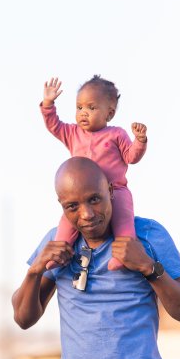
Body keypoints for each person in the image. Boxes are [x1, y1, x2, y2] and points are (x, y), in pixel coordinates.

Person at [12, 157, 180, 359]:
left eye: (94, 199)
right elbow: (23, 319)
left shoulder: (148, 234)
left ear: (111, 191)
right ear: (62, 205)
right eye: (72, 206)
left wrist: (149, 268)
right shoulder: (56, 242)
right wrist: (35, 271)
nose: (87, 214)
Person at [41, 76, 148, 271]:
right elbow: (54, 125)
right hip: (82, 196)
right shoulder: (72, 133)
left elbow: (131, 157)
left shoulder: (116, 134)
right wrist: (48, 104)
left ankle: (122, 257)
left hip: (116, 190)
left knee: (124, 224)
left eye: (91, 108)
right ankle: (59, 254)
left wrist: (139, 141)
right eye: (79, 108)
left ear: (109, 113)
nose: (83, 113)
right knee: (66, 225)